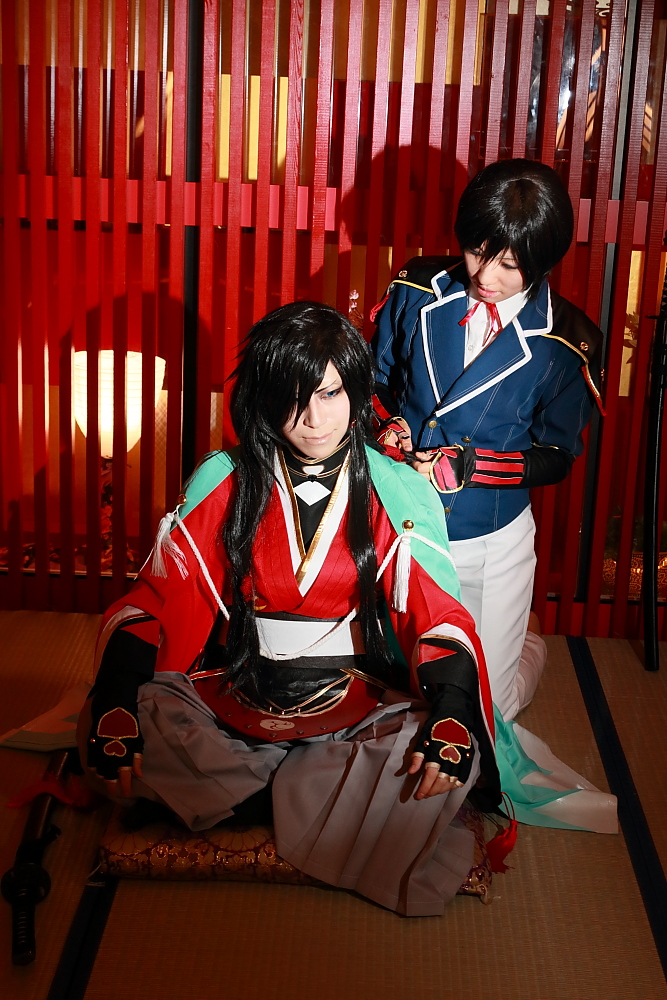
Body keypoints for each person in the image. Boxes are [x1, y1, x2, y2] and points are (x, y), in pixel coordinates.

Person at [79, 301, 503, 917]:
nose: (312, 419)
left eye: (329, 394)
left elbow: (436, 615)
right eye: (292, 398)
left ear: (356, 392)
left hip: (352, 698)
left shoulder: (397, 489)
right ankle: (320, 801)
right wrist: (118, 696)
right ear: (262, 398)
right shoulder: (224, 479)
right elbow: (158, 600)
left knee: (425, 752)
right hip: (236, 688)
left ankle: (249, 799)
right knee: (138, 719)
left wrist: (455, 710)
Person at [371, 158, 604, 723]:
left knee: (487, 711)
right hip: (403, 518)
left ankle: (529, 642)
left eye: (510, 265)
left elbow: (557, 456)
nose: (486, 276)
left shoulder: (568, 342)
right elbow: (372, 382)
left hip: (491, 539)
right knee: (406, 692)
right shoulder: (415, 287)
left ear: (543, 261)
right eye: (478, 252)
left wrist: (474, 467)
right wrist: (389, 427)